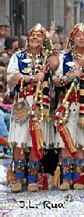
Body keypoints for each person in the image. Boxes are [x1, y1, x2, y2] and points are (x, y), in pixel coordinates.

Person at [6, 23, 59, 193]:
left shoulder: (46, 56)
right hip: (23, 102)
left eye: (39, 35)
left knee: (36, 142)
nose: (35, 37)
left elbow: (55, 64)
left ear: (44, 40)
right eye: (33, 35)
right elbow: (11, 77)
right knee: (20, 141)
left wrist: (50, 42)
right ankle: (19, 177)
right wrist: (30, 78)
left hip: (41, 104)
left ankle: (32, 178)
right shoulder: (18, 56)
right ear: (28, 38)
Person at [52, 24, 84, 190]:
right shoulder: (64, 57)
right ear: (72, 38)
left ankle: (79, 178)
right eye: (78, 35)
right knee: (66, 142)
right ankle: (66, 178)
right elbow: (56, 81)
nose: (81, 38)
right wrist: (71, 76)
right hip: (66, 104)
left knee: (80, 143)